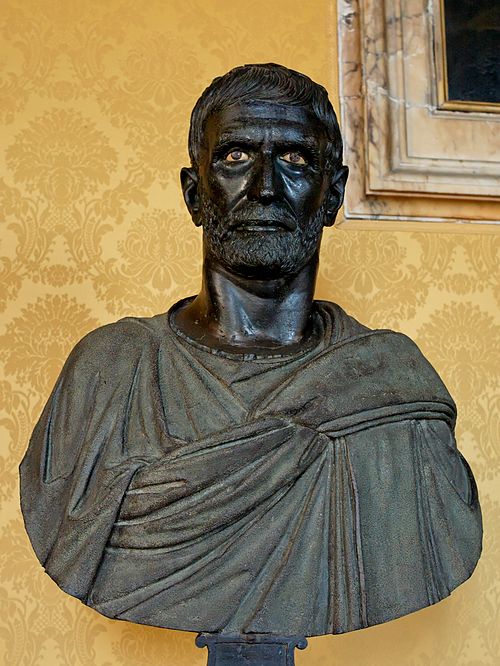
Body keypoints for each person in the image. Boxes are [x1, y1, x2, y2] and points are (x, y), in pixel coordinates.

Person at [20, 63, 482, 637]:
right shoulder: (110, 371)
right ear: (194, 194)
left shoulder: (393, 388)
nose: (265, 187)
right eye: (236, 157)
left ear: (332, 195)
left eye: (295, 160)